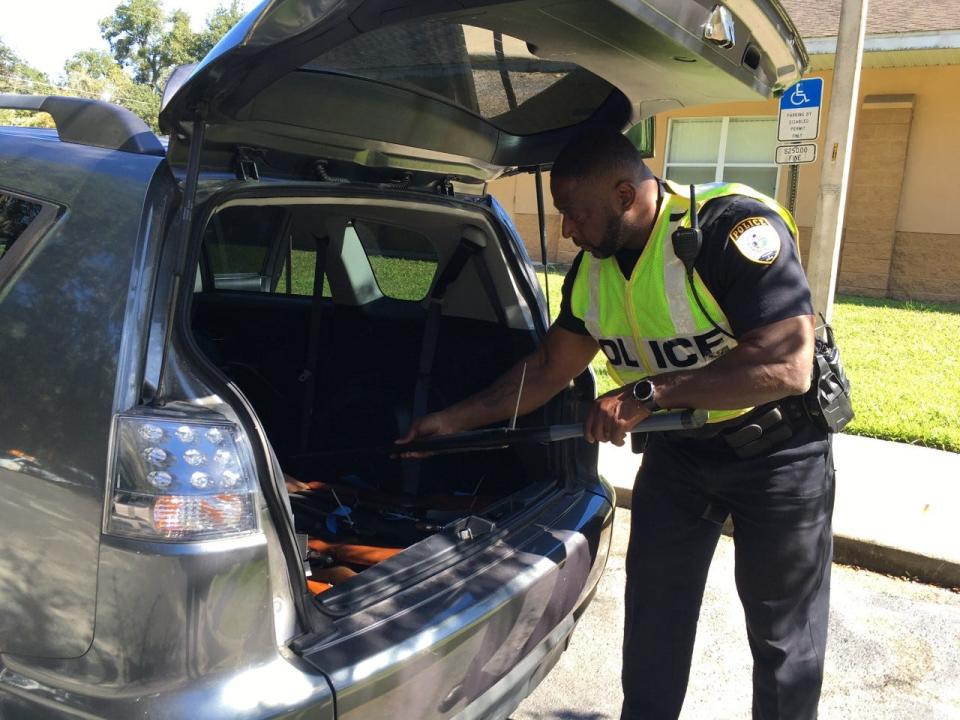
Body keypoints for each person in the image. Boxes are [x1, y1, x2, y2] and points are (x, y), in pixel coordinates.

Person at [398, 126, 833, 720]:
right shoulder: (594, 273)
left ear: (626, 195)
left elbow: (787, 363)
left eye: (574, 214)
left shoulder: (729, 232)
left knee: (784, 640)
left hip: (779, 452)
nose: (567, 231)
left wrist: (651, 392)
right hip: (681, 455)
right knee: (654, 617)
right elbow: (548, 369)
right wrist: (454, 421)